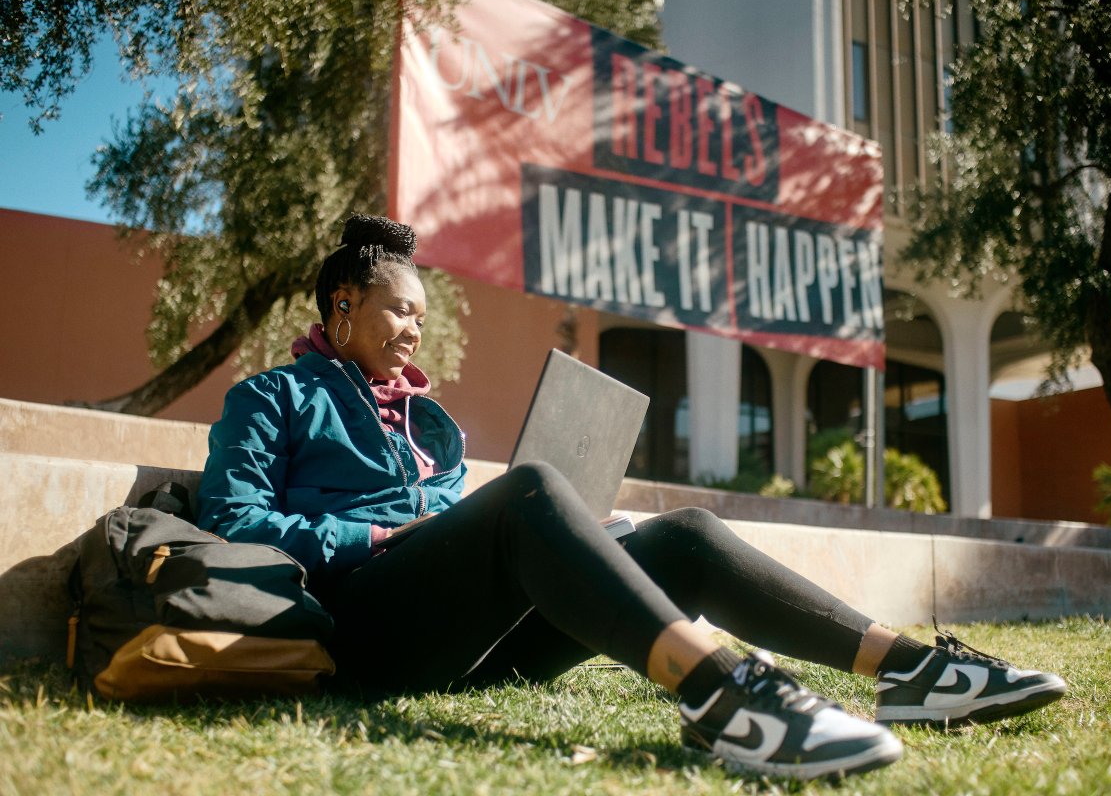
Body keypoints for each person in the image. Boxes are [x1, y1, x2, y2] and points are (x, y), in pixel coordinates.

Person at [197, 214, 1066, 782]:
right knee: (527, 490)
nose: (416, 329)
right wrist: (382, 533)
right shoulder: (273, 397)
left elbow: (459, 531)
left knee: (679, 533)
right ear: (341, 307)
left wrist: (585, 537)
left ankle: (912, 671)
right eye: (398, 311)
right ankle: (725, 697)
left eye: (423, 315)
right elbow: (233, 523)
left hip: (473, 642)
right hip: (369, 633)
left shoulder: (429, 422)